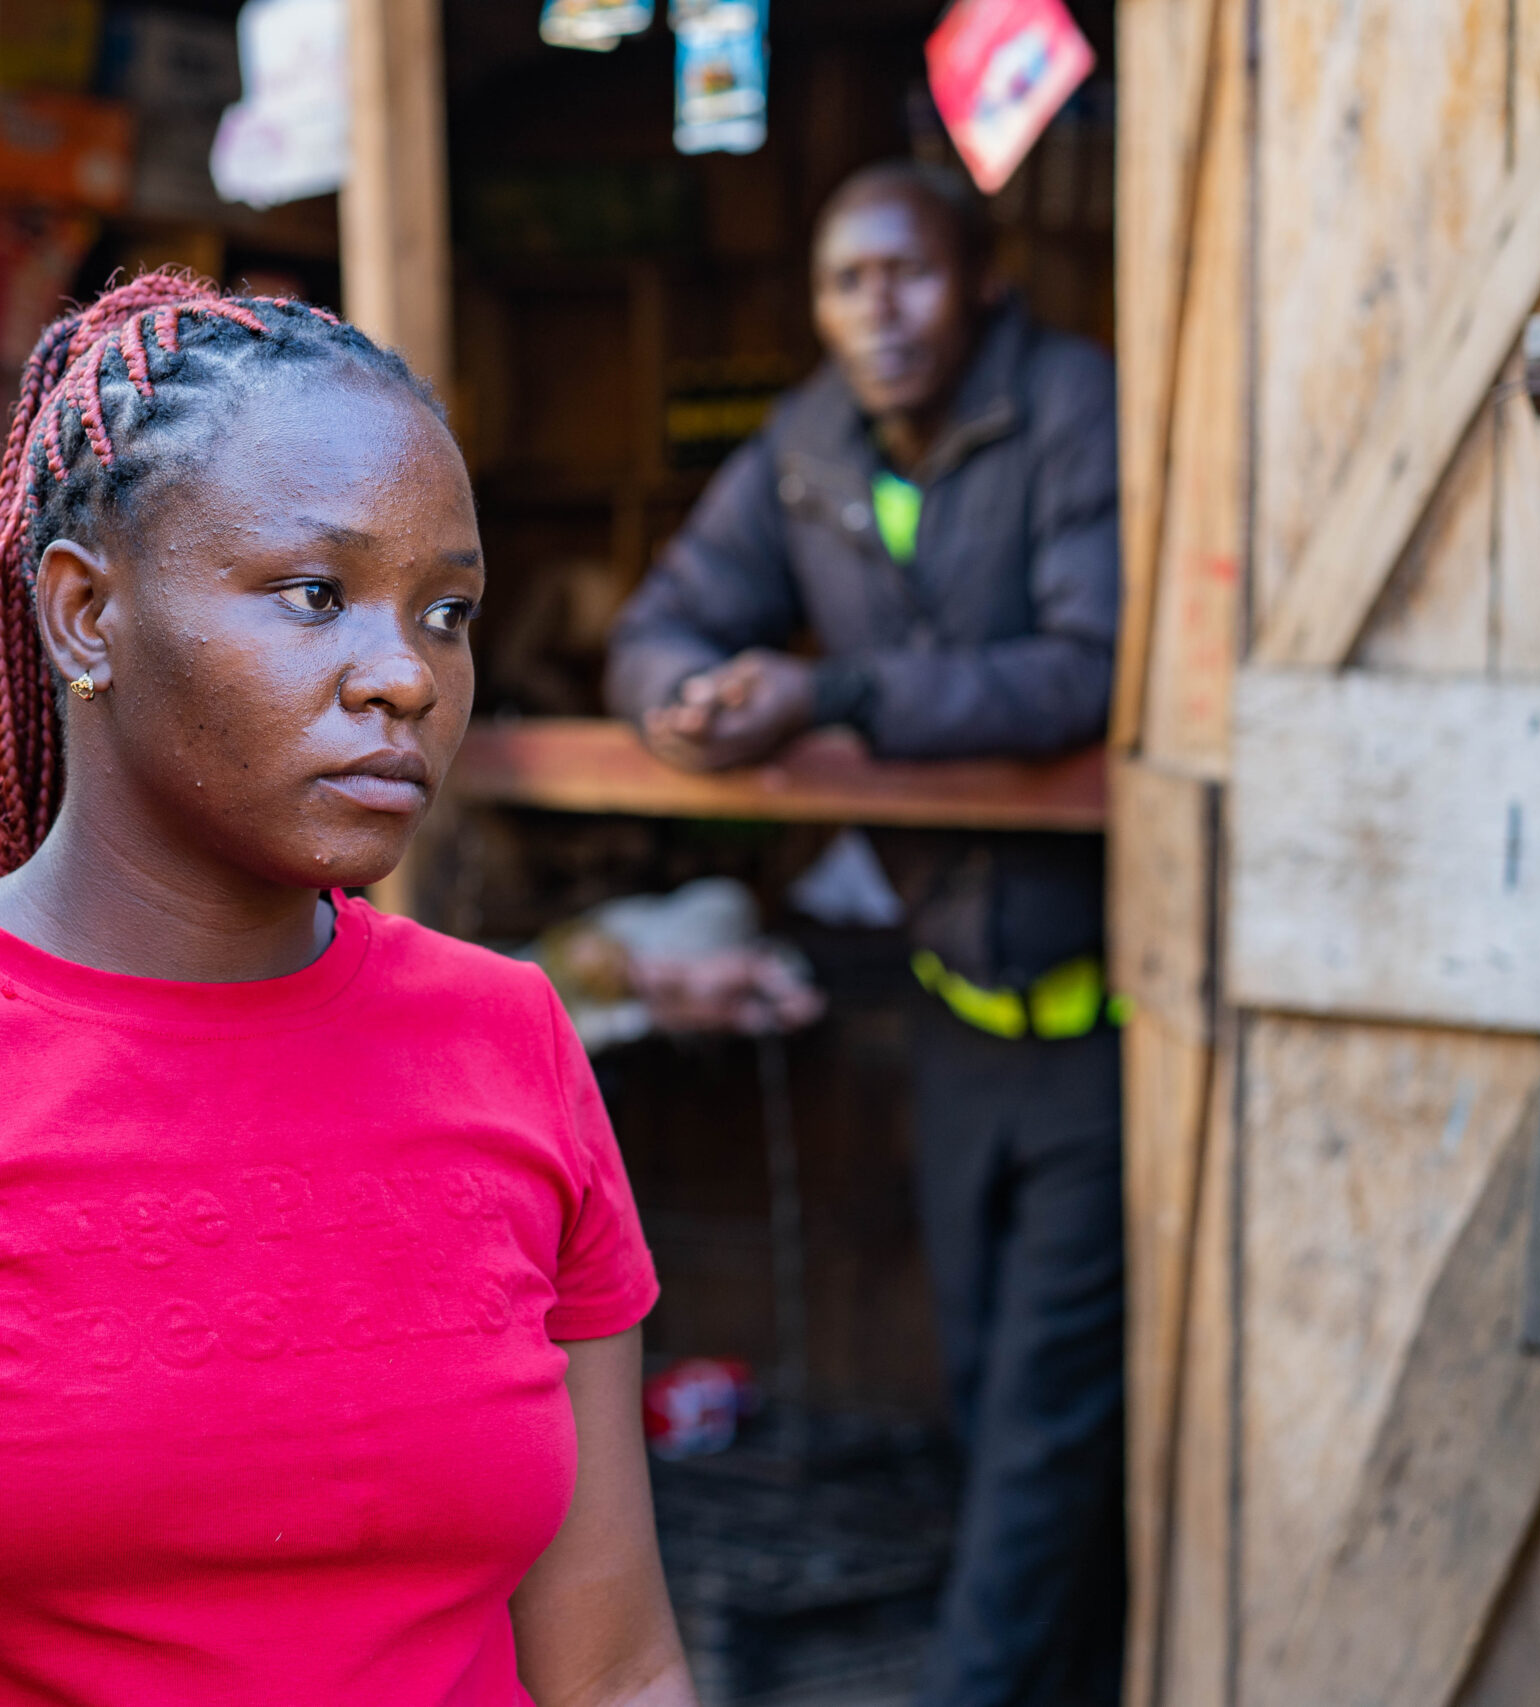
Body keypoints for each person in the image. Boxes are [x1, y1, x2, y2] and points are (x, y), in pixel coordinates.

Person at [0, 276, 697, 1707]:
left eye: (446, 610)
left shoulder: (505, 1038)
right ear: (85, 614)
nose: (404, 675)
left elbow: (616, 1668)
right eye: (316, 594)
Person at [605, 161, 1124, 1707]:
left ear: (982, 282)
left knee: (1040, 1417)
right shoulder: (811, 443)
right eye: (846, 282)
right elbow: (661, 623)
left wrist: (826, 693)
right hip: (952, 1003)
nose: (878, 311)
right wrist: (686, 704)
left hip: (1106, 1023)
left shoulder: (1070, 404)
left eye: (909, 275)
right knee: (983, 1388)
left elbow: (1085, 668)